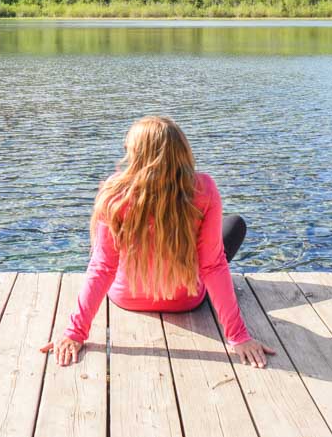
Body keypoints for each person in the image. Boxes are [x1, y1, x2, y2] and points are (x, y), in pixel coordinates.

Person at [40, 115, 276, 368]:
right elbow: (212, 266)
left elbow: (103, 266)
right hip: (186, 299)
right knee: (234, 224)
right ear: (181, 151)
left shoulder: (114, 191)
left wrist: (75, 333)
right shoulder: (203, 187)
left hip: (126, 297)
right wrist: (238, 337)